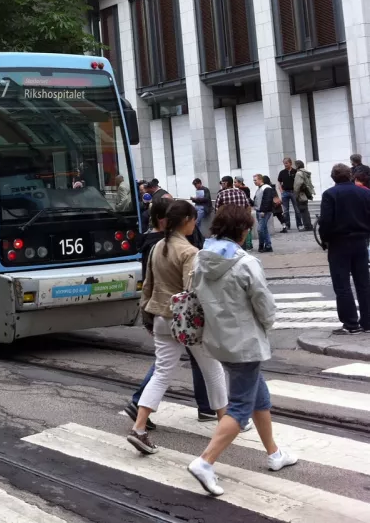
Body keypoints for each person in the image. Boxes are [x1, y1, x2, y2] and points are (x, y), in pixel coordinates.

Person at [187, 205, 297, 495]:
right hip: (245, 343)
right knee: (239, 407)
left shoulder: (201, 259)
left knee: (258, 395)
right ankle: (205, 461)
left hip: (218, 340)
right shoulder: (246, 263)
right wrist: (269, 323)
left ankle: (274, 453)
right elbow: (263, 302)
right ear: (242, 230)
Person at [124, 199, 242, 430]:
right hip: (184, 322)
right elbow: (194, 290)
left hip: (160, 317)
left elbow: (148, 284)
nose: (195, 224)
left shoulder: (158, 246)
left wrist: (146, 313)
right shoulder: (190, 252)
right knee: (214, 371)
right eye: (194, 220)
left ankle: (138, 428)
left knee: (161, 373)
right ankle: (225, 423)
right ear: (186, 221)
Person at [318, 164, 370, 334]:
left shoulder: (330, 194)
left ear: (333, 177)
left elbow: (325, 221)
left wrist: (325, 240)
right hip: (361, 242)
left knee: (342, 285)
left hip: (339, 243)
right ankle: (368, 322)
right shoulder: (364, 192)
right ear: (350, 176)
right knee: (364, 284)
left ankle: (351, 323)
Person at [252, 174, 276, 253]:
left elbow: (267, 200)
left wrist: (263, 211)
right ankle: (268, 246)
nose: (254, 182)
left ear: (260, 180)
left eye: (255, 180)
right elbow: (258, 200)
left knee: (260, 229)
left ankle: (262, 246)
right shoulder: (260, 189)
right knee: (264, 229)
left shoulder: (266, 188)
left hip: (263, 212)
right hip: (260, 211)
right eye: (254, 180)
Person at [276, 158, 302, 233]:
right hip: (285, 192)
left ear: (290, 163)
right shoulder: (282, 172)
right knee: (286, 210)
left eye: (287, 163)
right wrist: (281, 191)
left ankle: (299, 225)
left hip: (293, 192)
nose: (285, 164)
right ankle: (287, 225)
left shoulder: (295, 171)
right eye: (284, 163)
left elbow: (298, 182)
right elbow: (279, 182)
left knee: (297, 210)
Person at [292, 160, 315, 231]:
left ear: (298, 165)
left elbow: (297, 185)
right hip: (305, 193)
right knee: (305, 210)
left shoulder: (299, 173)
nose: (294, 166)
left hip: (301, 194)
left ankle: (307, 226)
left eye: (295, 165)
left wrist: (295, 194)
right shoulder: (305, 172)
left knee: (303, 211)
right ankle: (309, 226)